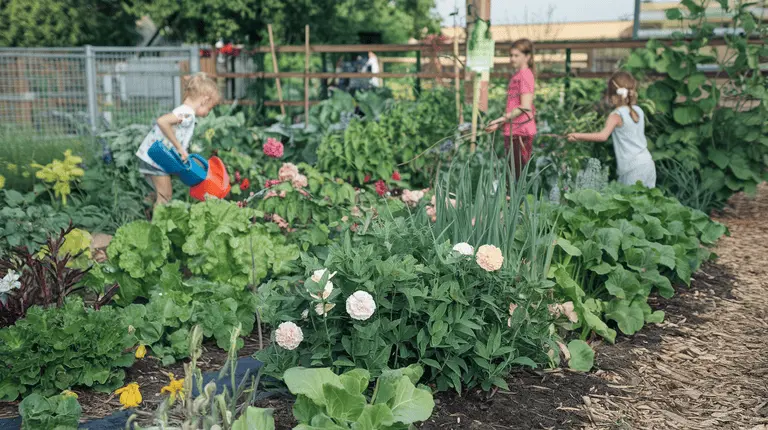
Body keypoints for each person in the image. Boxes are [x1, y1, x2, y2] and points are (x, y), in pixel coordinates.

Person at [135, 73, 220, 207]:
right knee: (165, 196)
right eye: (210, 108)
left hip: (154, 156)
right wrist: (180, 148)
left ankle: (146, 210)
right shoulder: (187, 113)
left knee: (159, 194)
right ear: (204, 100)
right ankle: (157, 226)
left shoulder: (185, 112)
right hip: (156, 158)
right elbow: (162, 121)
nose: (209, 112)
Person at [566, 71, 656, 188]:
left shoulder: (616, 115)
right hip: (648, 163)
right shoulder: (638, 111)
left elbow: (602, 136)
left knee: (630, 203)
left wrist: (577, 136)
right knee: (648, 202)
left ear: (613, 96)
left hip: (632, 169)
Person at [485, 39, 537, 179]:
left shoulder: (525, 75)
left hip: (521, 132)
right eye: (511, 55)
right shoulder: (517, 75)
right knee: (511, 176)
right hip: (513, 130)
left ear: (527, 56)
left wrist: (500, 120)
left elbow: (525, 106)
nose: (512, 59)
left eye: (516, 55)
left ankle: (518, 201)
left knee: (516, 179)